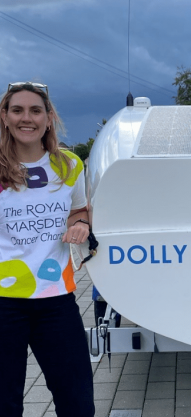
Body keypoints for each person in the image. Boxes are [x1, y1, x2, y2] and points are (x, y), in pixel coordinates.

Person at [0, 82, 95, 417]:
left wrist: (80, 224)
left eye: (36, 110)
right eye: (18, 110)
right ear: (5, 117)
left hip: (56, 299)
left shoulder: (69, 166)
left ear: (49, 118)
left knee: (78, 404)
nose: (28, 118)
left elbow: (79, 210)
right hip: (3, 303)